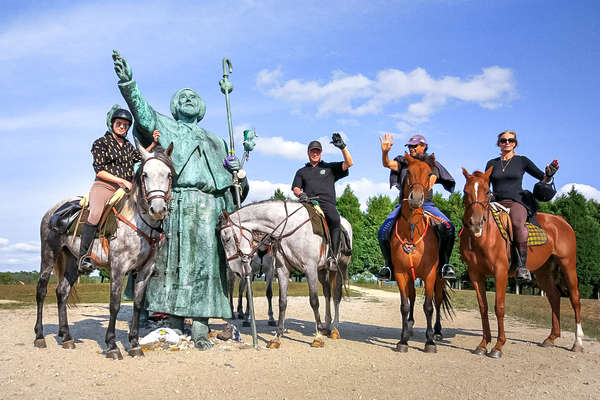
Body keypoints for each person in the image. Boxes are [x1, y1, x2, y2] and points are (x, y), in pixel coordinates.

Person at [113, 51, 249, 349]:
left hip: (207, 207)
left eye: (193, 97)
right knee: (168, 263)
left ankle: (200, 325)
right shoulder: (166, 126)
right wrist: (129, 83)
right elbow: (144, 113)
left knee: (206, 266)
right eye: (182, 96)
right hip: (175, 204)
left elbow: (233, 183)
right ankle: (173, 321)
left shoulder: (216, 140)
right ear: (175, 106)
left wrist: (239, 172)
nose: (188, 99)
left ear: (201, 107)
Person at [78, 105, 159, 273]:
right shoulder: (101, 143)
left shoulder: (129, 146)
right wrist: (121, 180)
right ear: (112, 124)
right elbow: (99, 170)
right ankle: (83, 257)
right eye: (119, 124)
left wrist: (153, 143)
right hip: (104, 186)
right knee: (95, 213)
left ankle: (143, 253)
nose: (122, 127)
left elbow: (141, 156)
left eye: (125, 125)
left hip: (127, 188)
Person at [377, 133, 456, 281]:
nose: (411, 148)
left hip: (426, 205)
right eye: (409, 146)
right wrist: (385, 152)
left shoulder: (431, 163)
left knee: (449, 227)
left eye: (414, 146)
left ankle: (445, 264)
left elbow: (432, 178)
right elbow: (387, 163)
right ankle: (389, 266)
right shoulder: (403, 161)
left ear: (424, 146)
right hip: (405, 204)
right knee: (383, 230)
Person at [485, 130, 558, 281]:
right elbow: (486, 184)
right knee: (478, 221)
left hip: (516, 201)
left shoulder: (522, 161)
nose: (507, 143)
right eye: (503, 140)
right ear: (498, 143)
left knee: (518, 223)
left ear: (515, 143)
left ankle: (522, 266)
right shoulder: (492, 163)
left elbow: (542, 178)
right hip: (495, 202)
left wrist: (549, 174)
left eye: (510, 140)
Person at [292, 133, 353, 268]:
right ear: (308, 153)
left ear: (321, 153)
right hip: (307, 202)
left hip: (326, 203)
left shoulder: (329, 168)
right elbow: (295, 188)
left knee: (335, 219)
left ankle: (333, 257)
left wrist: (343, 147)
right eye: (312, 151)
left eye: (317, 151)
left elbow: (349, 163)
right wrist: (301, 194)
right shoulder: (301, 171)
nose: (315, 154)